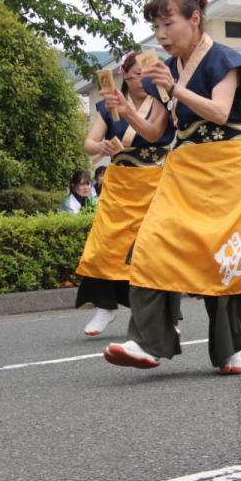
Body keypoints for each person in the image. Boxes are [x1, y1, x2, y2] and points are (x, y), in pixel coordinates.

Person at [103, 0, 241, 375]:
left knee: (227, 252)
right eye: (155, 27)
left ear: (195, 19)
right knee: (153, 240)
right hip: (187, 163)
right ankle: (146, 342)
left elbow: (221, 112)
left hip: (231, 162)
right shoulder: (163, 72)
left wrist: (174, 88)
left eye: (168, 24)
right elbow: (157, 131)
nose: (160, 35)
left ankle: (231, 350)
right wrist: (126, 111)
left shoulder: (226, 59)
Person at [75, 51, 177, 337]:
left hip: (157, 180)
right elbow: (89, 143)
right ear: (124, 76)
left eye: (146, 75)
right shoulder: (110, 107)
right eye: (135, 75)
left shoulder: (163, 103)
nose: (142, 81)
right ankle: (105, 306)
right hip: (121, 183)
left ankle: (164, 318)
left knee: (154, 249)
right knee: (106, 244)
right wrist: (102, 147)